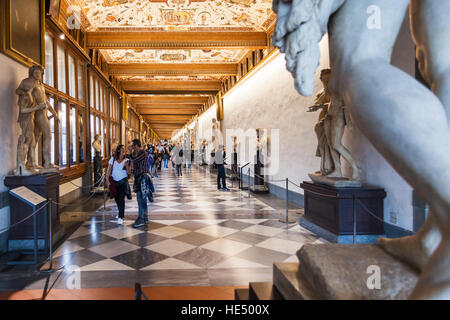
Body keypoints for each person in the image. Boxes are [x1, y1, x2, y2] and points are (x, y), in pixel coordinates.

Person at [105, 144, 130, 225]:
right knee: (116, 199)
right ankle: (120, 212)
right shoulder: (113, 159)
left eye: (124, 149)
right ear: (118, 150)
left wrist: (127, 166)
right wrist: (107, 180)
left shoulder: (126, 160)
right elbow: (108, 171)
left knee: (121, 199)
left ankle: (121, 216)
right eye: (122, 149)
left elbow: (129, 173)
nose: (124, 150)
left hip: (123, 181)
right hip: (114, 182)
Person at [129, 139, 149, 228]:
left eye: (133, 146)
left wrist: (130, 153)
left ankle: (141, 219)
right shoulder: (138, 153)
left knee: (140, 198)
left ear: (136, 145)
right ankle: (145, 218)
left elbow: (134, 160)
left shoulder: (142, 153)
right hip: (138, 178)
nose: (132, 147)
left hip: (142, 178)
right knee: (141, 198)